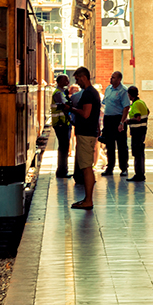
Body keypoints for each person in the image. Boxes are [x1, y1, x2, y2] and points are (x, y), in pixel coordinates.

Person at [67, 66, 101, 210]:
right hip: (89, 132)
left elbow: (86, 114)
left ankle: (88, 200)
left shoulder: (88, 94)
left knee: (87, 167)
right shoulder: (93, 93)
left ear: (83, 77)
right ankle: (87, 199)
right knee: (86, 166)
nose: (77, 82)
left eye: (77, 79)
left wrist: (70, 109)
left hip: (86, 134)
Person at [101, 71, 131, 177]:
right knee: (109, 145)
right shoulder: (108, 89)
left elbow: (126, 107)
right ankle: (110, 167)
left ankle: (124, 168)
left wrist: (121, 122)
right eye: (111, 77)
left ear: (119, 80)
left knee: (121, 145)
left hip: (118, 120)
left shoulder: (123, 91)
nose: (111, 79)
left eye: (113, 77)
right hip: (108, 119)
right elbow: (104, 103)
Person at [124, 86, 149, 182]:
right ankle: (140, 173)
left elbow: (137, 117)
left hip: (137, 132)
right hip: (142, 130)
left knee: (137, 153)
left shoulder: (135, 104)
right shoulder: (141, 102)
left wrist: (128, 121)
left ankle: (138, 174)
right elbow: (148, 111)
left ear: (130, 95)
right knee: (140, 153)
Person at [51, 74, 72, 178]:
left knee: (64, 147)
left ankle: (62, 170)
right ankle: (62, 171)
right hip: (60, 123)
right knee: (63, 148)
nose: (68, 82)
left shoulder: (62, 92)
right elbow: (65, 107)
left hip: (63, 123)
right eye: (66, 80)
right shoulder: (58, 93)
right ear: (59, 82)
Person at [67, 83, 80, 157]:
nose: (75, 90)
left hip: (75, 116)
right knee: (72, 135)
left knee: (74, 136)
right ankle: (70, 151)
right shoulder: (75, 97)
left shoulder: (71, 97)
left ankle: (72, 151)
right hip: (72, 117)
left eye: (76, 89)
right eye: (74, 89)